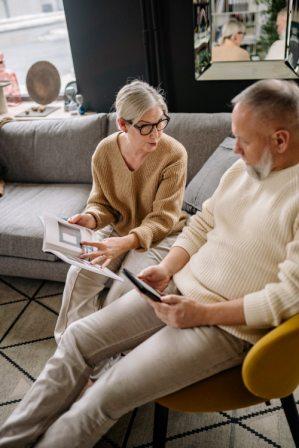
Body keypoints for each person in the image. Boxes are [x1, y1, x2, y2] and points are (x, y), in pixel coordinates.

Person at [1, 79, 299, 448]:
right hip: (177, 287)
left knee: (103, 396)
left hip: (224, 326)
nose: (233, 149)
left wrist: (200, 314)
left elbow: (287, 299)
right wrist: (168, 268)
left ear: (280, 141)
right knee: (78, 337)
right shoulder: (241, 170)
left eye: (244, 140)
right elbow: (202, 223)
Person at [54, 79, 188, 345]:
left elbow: (163, 218)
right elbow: (101, 202)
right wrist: (91, 218)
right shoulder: (104, 151)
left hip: (161, 235)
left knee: (125, 292)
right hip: (118, 227)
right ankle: (70, 347)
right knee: (79, 274)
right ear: (123, 125)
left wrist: (126, 243)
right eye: (146, 126)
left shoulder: (174, 154)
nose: (156, 133)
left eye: (161, 122)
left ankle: (105, 355)